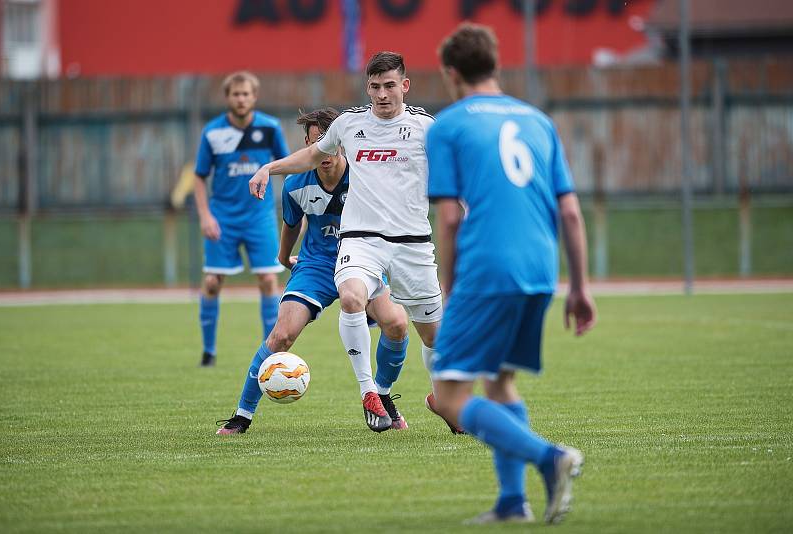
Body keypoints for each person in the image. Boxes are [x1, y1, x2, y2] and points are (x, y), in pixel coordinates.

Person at [425, 23, 597, 525]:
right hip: (540, 268)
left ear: (450, 73)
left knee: (450, 396)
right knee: (500, 384)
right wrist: (580, 286)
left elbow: (451, 216)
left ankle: (551, 458)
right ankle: (510, 503)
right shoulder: (538, 121)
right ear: (496, 66)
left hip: (488, 267)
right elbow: (570, 213)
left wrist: (451, 286)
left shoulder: (449, 126)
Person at [248, 52, 443, 433]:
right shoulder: (348, 125)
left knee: (432, 335)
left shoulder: (426, 129)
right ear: (366, 87)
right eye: (375, 86)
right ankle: (368, 391)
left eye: (390, 86)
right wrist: (269, 167)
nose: (382, 94)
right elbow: (310, 154)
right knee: (352, 297)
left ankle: (441, 399)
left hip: (412, 243)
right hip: (361, 239)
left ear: (404, 86)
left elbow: (454, 175)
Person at [217, 108, 411, 435]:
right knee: (282, 334)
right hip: (317, 265)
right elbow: (291, 225)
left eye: (328, 140)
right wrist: (283, 258)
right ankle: (242, 415)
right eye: (314, 142)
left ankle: (381, 395)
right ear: (308, 148)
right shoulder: (295, 185)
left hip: (362, 259)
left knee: (396, 324)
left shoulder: (365, 178)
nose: (323, 149)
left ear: (342, 141)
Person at [193, 71, 289, 367]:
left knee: (268, 280)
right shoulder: (212, 133)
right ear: (228, 98)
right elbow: (199, 177)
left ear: (254, 96)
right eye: (236, 94)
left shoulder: (271, 128)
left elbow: (286, 167)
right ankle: (209, 352)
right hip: (223, 219)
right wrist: (206, 216)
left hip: (259, 218)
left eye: (246, 93)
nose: (241, 99)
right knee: (211, 282)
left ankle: (269, 355)